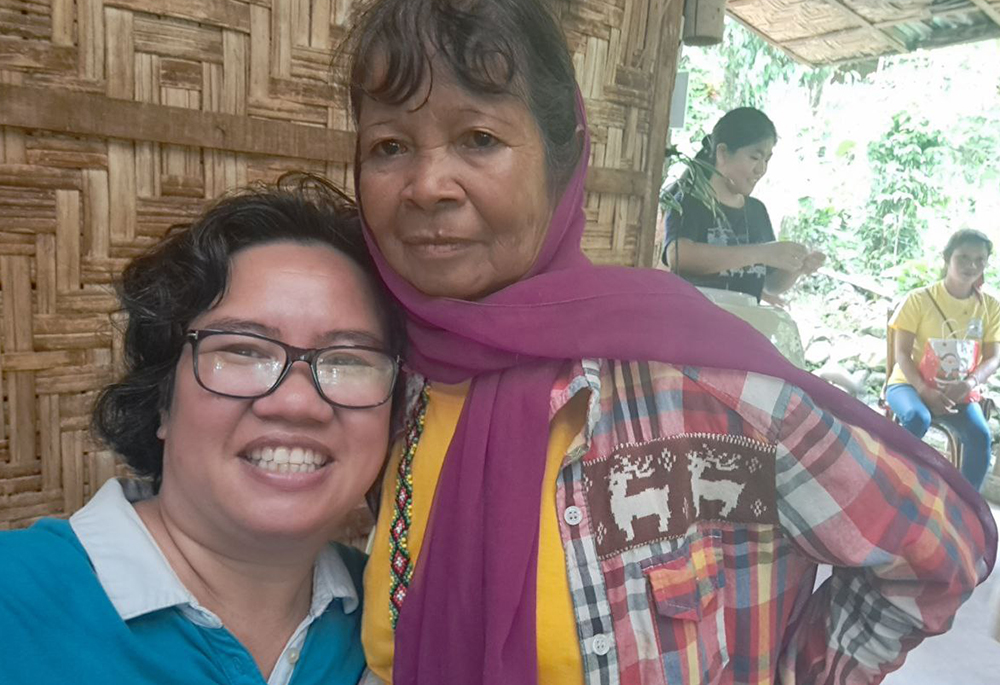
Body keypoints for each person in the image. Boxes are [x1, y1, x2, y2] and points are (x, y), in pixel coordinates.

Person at [346, 2, 996, 684]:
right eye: (388, 147)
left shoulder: (700, 396)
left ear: (563, 159)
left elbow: (936, 547)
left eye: (478, 138)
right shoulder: (381, 383)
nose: (426, 186)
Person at [0, 175, 405, 685]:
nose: (298, 402)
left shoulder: (398, 621)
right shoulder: (14, 601)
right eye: (243, 350)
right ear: (162, 398)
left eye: (349, 360)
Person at [662, 107, 825, 303]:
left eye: (766, 160)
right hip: (694, 326)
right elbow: (679, 256)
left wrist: (798, 269)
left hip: (741, 327)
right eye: (754, 158)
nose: (761, 169)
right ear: (722, 153)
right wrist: (761, 252)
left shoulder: (757, 211)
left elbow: (771, 286)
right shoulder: (690, 201)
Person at [887, 229, 1000, 491]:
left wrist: (969, 383)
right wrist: (923, 388)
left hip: (958, 391)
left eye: (979, 260)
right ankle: (893, 482)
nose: (971, 266)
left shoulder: (991, 308)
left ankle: (966, 505)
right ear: (946, 258)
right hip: (909, 384)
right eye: (963, 258)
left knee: (980, 435)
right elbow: (901, 354)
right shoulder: (918, 299)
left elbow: (994, 358)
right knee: (917, 417)